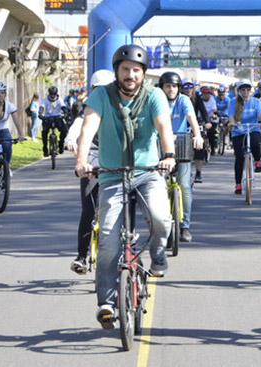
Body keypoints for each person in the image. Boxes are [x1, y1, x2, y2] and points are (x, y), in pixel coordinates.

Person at [75, 44, 176, 329]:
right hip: (111, 175)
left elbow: (163, 126)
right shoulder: (100, 95)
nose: (130, 75)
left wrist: (167, 155)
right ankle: (106, 302)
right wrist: (82, 161)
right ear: (117, 71)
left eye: (136, 70)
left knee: (160, 218)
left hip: (148, 171)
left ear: (143, 74)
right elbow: (87, 130)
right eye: (125, 69)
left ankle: (157, 255)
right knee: (107, 238)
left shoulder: (155, 95)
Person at [65, 70, 116, 274]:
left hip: (115, 163)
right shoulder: (88, 108)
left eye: (105, 89)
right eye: (97, 89)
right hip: (92, 162)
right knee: (88, 210)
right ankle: (81, 256)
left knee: (124, 207)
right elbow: (78, 127)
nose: (101, 93)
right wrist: (70, 140)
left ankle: (128, 249)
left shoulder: (119, 109)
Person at [159, 71, 205, 243]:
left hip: (182, 144)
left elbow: (191, 117)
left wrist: (197, 135)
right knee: (158, 186)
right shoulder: (157, 100)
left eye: (174, 86)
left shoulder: (183, 100)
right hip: (162, 146)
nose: (171, 90)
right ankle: (161, 224)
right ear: (162, 88)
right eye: (168, 86)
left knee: (184, 186)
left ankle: (185, 225)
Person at [227, 79, 261, 195]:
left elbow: (260, 114)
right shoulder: (233, 102)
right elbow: (231, 116)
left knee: (255, 143)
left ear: (251, 91)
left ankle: (257, 161)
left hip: (253, 128)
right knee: (239, 157)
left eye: (248, 89)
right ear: (238, 91)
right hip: (238, 131)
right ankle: (238, 184)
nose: (246, 92)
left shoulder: (256, 101)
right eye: (243, 89)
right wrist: (232, 123)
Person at [181, 78, 210, 183]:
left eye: (190, 87)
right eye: (185, 87)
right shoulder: (179, 98)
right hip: (181, 125)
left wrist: (207, 122)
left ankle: (198, 172)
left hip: (194, 124)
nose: (188, 89)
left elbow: (203, 110)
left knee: (199, 148)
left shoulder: (197, 98)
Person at [38, 86, 68, 156]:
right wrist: (40, 114)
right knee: (44, 132)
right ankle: (45, 148)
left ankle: (61, 144)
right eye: (51, 94)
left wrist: (65, 113)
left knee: (64, 130)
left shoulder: (59, 99)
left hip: (57, 117)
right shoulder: (45, 100)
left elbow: (63, 107)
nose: (53, 95)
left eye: (54, 94)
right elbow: (42, 107)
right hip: (48, 118)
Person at [199, 87, 218, 155]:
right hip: (201, 117)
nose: (206, 95)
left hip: (211, 118)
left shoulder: (212, 100)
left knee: (211, 133)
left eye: (207, 94)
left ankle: (212, 148)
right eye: (204, 94)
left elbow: (215, 111)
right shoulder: (200, 100)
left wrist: (214, 117)